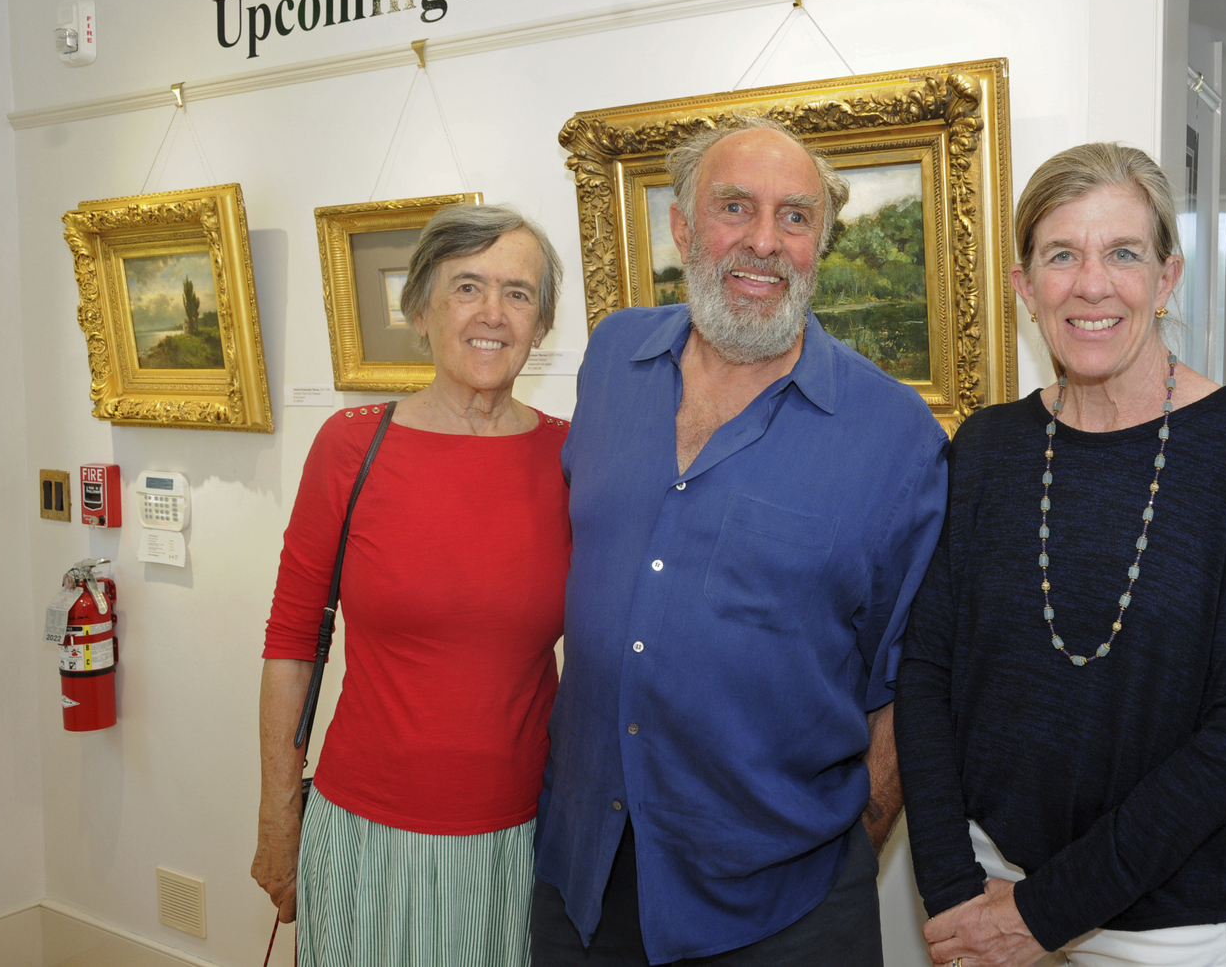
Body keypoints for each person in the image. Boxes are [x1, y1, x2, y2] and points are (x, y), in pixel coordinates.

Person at [531, 117, 949, 966]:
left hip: (780, 907)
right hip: (583, 878)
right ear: (683, 227)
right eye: (735, 207)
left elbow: (913, 679)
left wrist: (853, 844)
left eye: (794, 217)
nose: (764, 242)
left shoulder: (896, 436)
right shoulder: (612, 360)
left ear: (819, 245)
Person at [896, 142, 1226, 967]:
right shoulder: (984, 448)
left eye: (1123, 253)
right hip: (980, 889)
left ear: (1167, 279)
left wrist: (1045, 913)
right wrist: (950, 887)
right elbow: (926, 669)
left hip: (1163, 922)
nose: (1092, 284)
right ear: (1025, 287)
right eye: (1062, 255)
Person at [251, 204, 571, 967]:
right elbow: (293, 643)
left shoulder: (572, 458)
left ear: (541, 321)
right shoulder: (351, 447)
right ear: (421, 309)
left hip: (524, 836)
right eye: (468, 287)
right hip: (367, 829)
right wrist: (276, 814)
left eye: (519, 293)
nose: (493, 314)